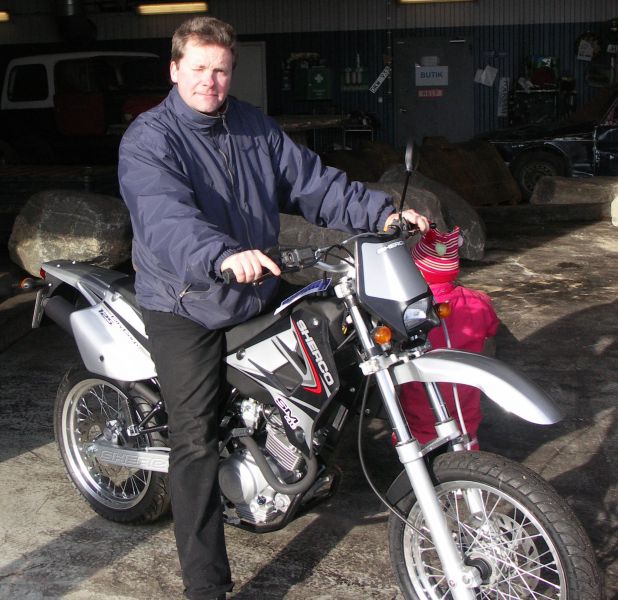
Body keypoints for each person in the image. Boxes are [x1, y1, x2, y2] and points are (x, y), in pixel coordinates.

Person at [118, 16, 429, 600]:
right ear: (175, 70)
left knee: (336, 335)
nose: (210, 81)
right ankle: (205, 585)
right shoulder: (149, 139)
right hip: (186, 299)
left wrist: (382, 213)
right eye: (199, 68)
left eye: (221, 70)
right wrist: (219, 255)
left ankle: (292, 453)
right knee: (194, 440)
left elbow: (314, 183)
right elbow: (164, 217)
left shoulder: (253, 127)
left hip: (255, 283)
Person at [399, 226, 500, 450]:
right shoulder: (478, 301)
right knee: (465, 426)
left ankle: (420, 463)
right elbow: (492, 328)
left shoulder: (411, 310)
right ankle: (469, 459)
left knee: (420, 429)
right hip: (465, 387)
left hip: (424, 392)